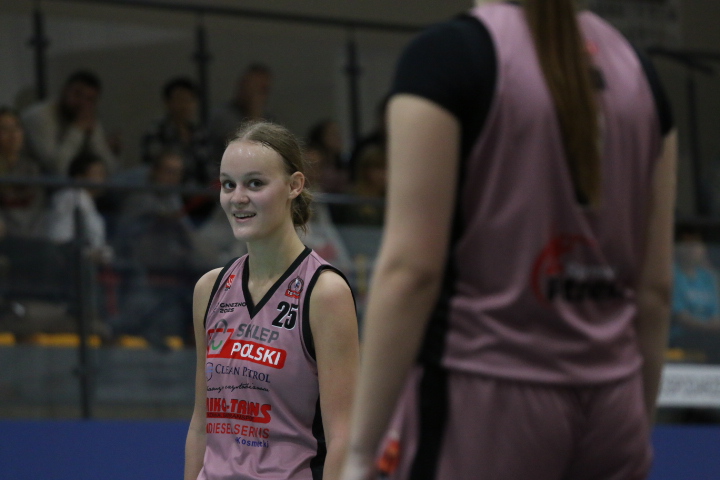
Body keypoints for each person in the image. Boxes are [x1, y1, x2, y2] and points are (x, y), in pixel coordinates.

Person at [341, 1, 677, 480]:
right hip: (613, 404)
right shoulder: (642, 75)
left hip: (485, 401)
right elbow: (655, 290)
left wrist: (360, 451)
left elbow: (410, 272)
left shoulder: (447, 56)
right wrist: (634, 424)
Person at [185, 121, 359, 480]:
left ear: (294, 185)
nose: (237, 198)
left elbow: (343, 438)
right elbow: (202, 424)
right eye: (228, 184)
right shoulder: (209, 289)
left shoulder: (325, 292)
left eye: (255, 183)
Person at [21, 70, 117, 176]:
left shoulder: (86, 117)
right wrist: (77, 130)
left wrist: (94, 139)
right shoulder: (39, 116)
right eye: (77, 94)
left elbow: (110, 169)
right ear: (64, 91)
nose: (82, 103)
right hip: (30, 179)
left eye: (89, 99)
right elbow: (57, 169)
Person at [141, 77, 212, 185]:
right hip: (167, 187)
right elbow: (154, 165)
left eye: (190, 100)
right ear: (167, 102)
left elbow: (207, 166)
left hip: (199, 189)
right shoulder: (156, 131)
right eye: (180, 100)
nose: (185, 105)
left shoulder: (199, 132)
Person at [207, 63, 273, 164]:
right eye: (252, 87)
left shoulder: (269, 119)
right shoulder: (221, 116)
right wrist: (254, 113)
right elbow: (245, 148)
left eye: (262, 89)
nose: (256, 94)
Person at [670, 227, 720, 361]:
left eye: (696, 244)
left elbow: (715, 314)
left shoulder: (708, 277)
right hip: (681, 338)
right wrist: (708, 327)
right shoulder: (671, 274)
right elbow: (680, 317)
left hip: (710, 335)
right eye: (687, 244)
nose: (691, 249)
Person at [0, 107, 46, 238]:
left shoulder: (31, 168)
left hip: (31, 236)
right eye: (4, 129)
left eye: (16, 128)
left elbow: (38, 207)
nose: (13, 135)